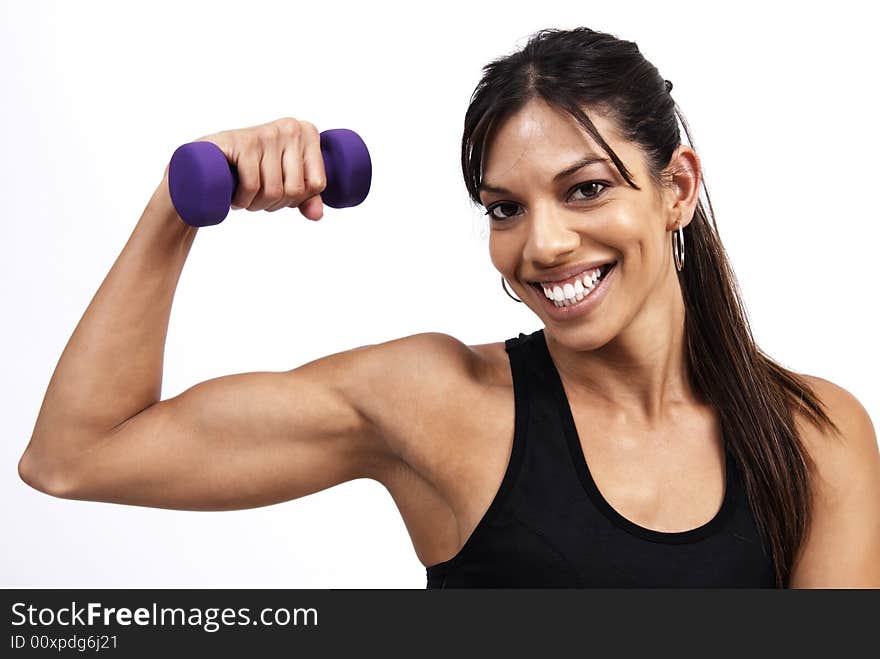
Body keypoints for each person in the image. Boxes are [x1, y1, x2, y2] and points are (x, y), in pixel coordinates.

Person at [18, 27, 880, 588]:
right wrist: (179, 202)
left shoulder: (815, 433)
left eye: (583, 189)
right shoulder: (442, 404)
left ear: (677, 187)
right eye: (505, 208)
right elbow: (76, 455)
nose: (541, 245)